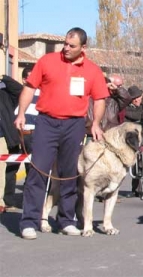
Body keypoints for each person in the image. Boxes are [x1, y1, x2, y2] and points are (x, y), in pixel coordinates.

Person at [14, 27, 109, 240]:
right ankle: (29, 221)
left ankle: (66, 220)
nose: (66, 48)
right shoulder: (47, 61)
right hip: (46, 122)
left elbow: (100, 98)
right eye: (65, 44)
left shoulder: (93, 70)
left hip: (74, 125)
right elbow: (29, 88)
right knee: (38, 171)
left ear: (83, 47)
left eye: (71, 46)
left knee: (69, 174)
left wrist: (95, 123)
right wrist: (20, 114)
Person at [0, 75, 24, 214]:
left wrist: (4, 77)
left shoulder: (4, 95)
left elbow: (20, 90)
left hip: (1, 137)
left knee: (1, 169)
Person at [123, 85, 143, 198]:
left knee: (141, 165)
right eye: (134, 98)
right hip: (130, 140)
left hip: (142, 139)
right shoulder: (126, 108)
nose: (137, 100)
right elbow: (135, 115)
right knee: (129, 165)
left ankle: (139, 188)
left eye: (139, 97)